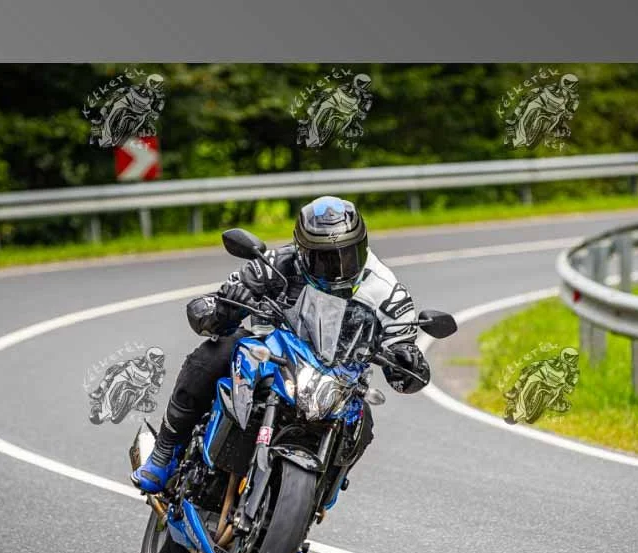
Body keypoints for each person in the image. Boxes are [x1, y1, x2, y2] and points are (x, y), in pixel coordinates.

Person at [131, 196, 430, 494]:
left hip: (338, 381)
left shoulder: (387, 291)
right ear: (302, 252)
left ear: (362, 246)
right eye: (324, 258)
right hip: (274, 357)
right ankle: (164, 452)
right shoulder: (276, 264)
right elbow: (216, 304)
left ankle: (317, 497)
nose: (337, 268)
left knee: (362, 422)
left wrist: (407, 360)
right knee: (217, 351)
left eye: (347, 255)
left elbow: (404, 350)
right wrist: (223, 307)